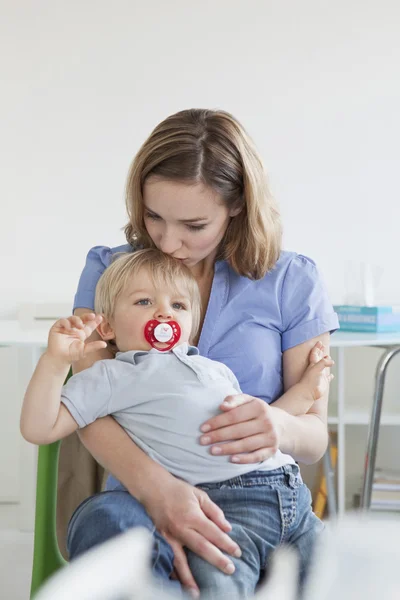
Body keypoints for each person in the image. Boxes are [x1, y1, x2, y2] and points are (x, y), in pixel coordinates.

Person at [58, 108, 338, 599]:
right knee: (108, 524)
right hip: (139, 494)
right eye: (153, 217)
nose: (168, 242)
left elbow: (314, 436)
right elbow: (90, 404)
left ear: (236, 205)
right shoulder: (110, 270)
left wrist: (279, 425)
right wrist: (160, 493)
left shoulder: (293, 281)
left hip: (253, 495)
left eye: (193, 224)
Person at [21, 248, 334, 599]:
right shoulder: (113, 376)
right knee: (220, 589)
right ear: (107, 326)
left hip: (293, 496)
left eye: (178, 306)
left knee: (340, 583)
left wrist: (307, 392)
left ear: (191, 324)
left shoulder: (212, 369)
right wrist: (53, 362)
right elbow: (39, 428)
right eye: (143, 302)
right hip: (227, 508)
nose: (163, 312)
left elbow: (259, 420)